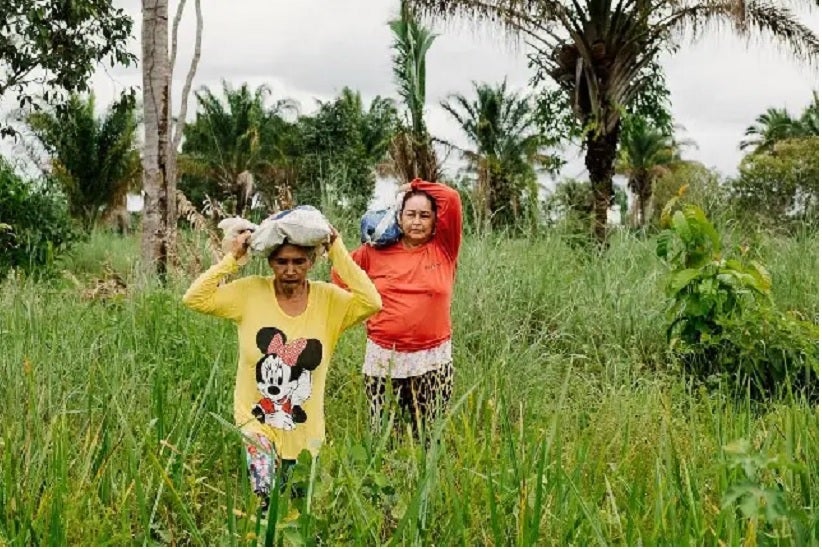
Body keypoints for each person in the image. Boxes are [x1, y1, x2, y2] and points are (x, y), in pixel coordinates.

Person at [182, 226, 381, 510]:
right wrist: (233, 259)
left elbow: (372, 302)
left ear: (312, 261)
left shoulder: (329, 300)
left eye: (299, 261)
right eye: (281, 262)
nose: (290, 269)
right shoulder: (250, 292)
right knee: (265, 505)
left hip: (305, 432)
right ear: (270, 262)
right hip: (256, 423)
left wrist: (336, 249)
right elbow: (194, 298)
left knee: (302, 512)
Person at [332, 177, 462, 439]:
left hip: (432, 358)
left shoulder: (444, 248)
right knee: (385, 433)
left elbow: (451, 198)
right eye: (410, 214)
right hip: (384, 358)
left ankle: (426, 478)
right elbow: (341, 277)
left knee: (429, 433)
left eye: (425, 215)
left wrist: (416, 186)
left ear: (436, 221)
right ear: (398, 218)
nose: (417, 221)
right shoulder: (374, 252)